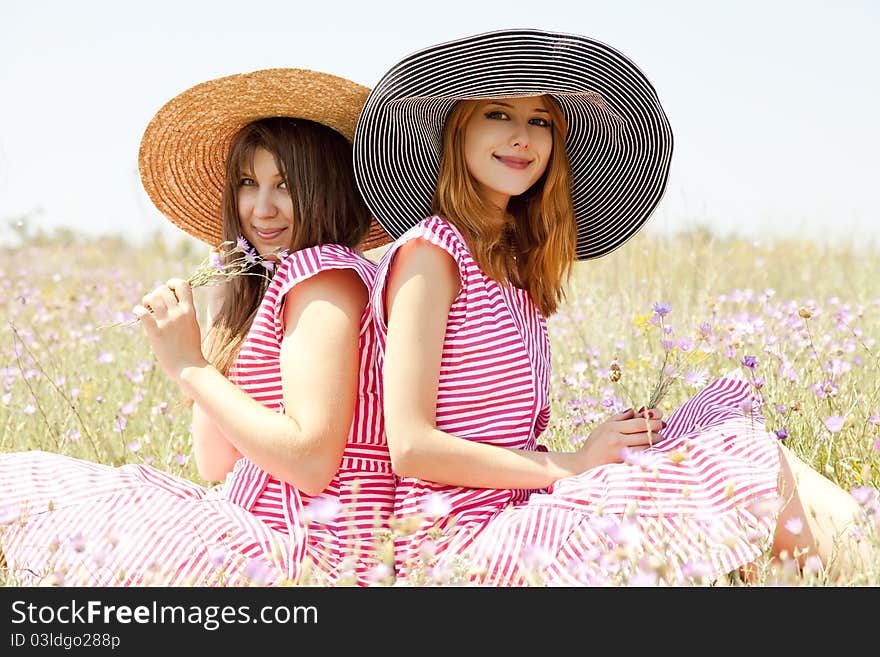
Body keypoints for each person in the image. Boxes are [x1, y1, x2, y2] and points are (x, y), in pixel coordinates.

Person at [352, 29, 876, 586]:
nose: (521, 137)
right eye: (498, 113)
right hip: (456, 542)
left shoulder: (513, 267)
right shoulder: (431, 254)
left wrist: (589, 456)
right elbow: (411, 447)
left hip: (517, 508)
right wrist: (574, 466)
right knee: (729, 462)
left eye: (541, 121)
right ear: (456, 130)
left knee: (719, 428)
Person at [0, 68, 394, 586]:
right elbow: (215, 461)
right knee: (25, 481)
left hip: (316, 545)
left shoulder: (324, 278)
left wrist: (190, 366)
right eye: (248, 184)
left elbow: (310, 462)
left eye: (287, 186)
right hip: (256, 517)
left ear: (330, 191)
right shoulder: (284, 281)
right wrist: (227, 305)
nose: (262, 208)